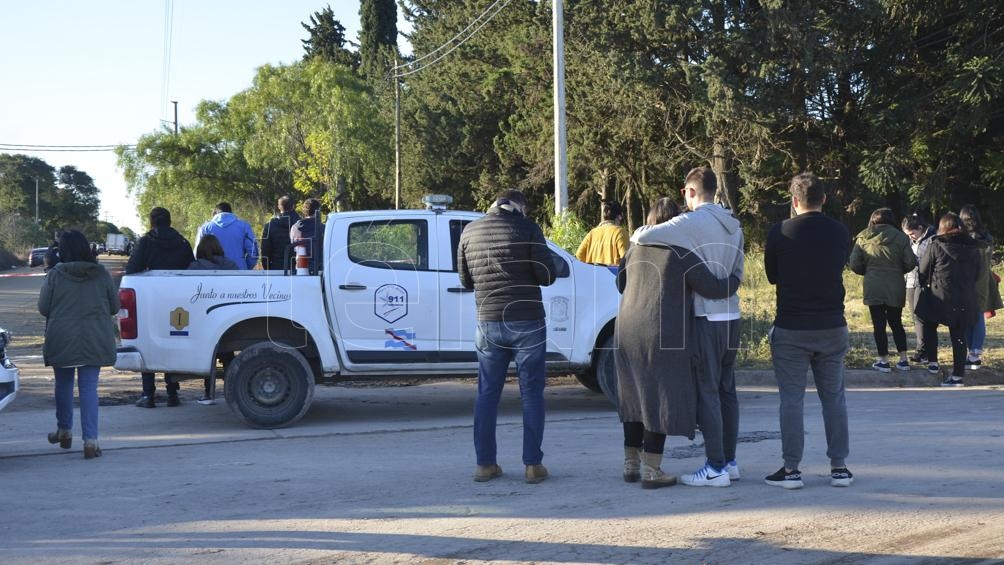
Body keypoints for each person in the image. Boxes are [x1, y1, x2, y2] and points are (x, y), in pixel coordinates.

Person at [616, 197, 740, 489]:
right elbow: (712, 287)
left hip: (626, 329)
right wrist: (735, 278)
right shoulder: (679, 252)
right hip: (660, 331)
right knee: (656, 397)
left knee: (633, 395)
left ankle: (630, 463)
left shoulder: (634, 248)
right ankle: (652, 469)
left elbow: (620, 283)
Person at [457, 189, 557, 484]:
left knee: (487, 394)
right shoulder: (528, 228)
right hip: (527, 322)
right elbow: (547, 276)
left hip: (488, 322)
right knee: (531, 394)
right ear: (519, 207)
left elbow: (464, 280)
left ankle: (485, 465)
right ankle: (532, 466)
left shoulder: (469, 230)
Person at [763, 172, 853, 489]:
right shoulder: (840, 231)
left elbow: (773, 276)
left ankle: (791, 470)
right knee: (834, 399)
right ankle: (839, 467)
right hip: (832, 325)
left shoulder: (779, 232)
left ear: (794, 200)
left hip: (792, 327)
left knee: (791, 400)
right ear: (824, 199)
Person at [38, 230, 119, 459]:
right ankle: (91, 442)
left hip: (61, 338)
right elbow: (114, 306)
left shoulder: (55, 274)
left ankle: (64, 431)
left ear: (61, 250)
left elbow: (44, 308)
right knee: (88, 388)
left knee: (63, 385)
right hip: (94, 338)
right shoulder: (101, 274)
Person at [127, 207, 195, 408]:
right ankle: (173, 394)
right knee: (172, 341)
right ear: (169, 221)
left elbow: (132, 269)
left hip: (151, 299)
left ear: (152, 222)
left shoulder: (146, 242)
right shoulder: (182, 242)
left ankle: (148, 395)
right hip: (178, 300)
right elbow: (192, 268)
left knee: (147, 343)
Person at [915, 213, 981, 386]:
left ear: (942, 227)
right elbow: (978, 274)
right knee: (958, 336)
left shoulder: (936, 244)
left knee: (929, 325)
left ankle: (933, 363)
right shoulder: (974, 247)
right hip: (964, 296)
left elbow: (923, 270)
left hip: (938, 295)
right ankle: (958, 375)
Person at [849, 208, 917, 373]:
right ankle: (903, 359)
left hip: (873, 284)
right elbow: (910, 262)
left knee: (878, 325)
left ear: (873, 220)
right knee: (896, 323)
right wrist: (897, 270)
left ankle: (883, 360)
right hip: (895, 285)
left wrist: (868, 271)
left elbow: (854, 264)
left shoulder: (863, 236)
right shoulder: (901, 237)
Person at [188, 235, 237, 405]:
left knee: (208, 358)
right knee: (228, 356)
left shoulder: (193, 268)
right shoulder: (231, 266)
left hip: (204, 321)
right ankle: (234, 392)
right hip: (229, 321)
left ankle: (208, 394)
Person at [959, 205, 1002, 370]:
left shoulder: (965, 240)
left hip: (966, 282)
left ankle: (970, 352)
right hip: (983, 282)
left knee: (966, 319)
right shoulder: (987, 237)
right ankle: (975, 354)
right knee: (978, 318)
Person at [902, 213, 937, 365]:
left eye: (912, 233)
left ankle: (923, 350)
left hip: (924, 282)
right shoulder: (911, 241)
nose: (911, 237)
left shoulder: (931, 240)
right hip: (910, 281)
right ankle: (922, 348)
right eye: (907, 235)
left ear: (920, 228)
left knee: (922, 317)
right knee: (915, 317)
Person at [195, 202, 259, 270]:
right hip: (239, 271)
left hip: (212, 273)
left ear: (215, 213)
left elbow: (197, 253)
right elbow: (253, 253)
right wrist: (245, 268)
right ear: (231, 212)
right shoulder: (244, 226)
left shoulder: (205, 228)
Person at [575, 200, 629, 266]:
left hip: (593, 274)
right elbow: (627, 259)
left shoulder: (592, 233)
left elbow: (579, 255)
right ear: (619, 217)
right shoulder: (620, 232)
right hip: (613, 275)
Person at [260, 195, 300, 271]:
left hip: (276, 267)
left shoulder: (270, 226)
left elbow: (265, 249)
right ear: (293, 206)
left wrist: (267, 268)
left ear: (279, 207)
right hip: (297, 267)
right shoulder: (301, 224)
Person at [290, 198, 324, 275]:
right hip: (319, 268)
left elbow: (294, 247)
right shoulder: (323, 228)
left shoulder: (295, 227)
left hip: (301, 267)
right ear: (318, 211)